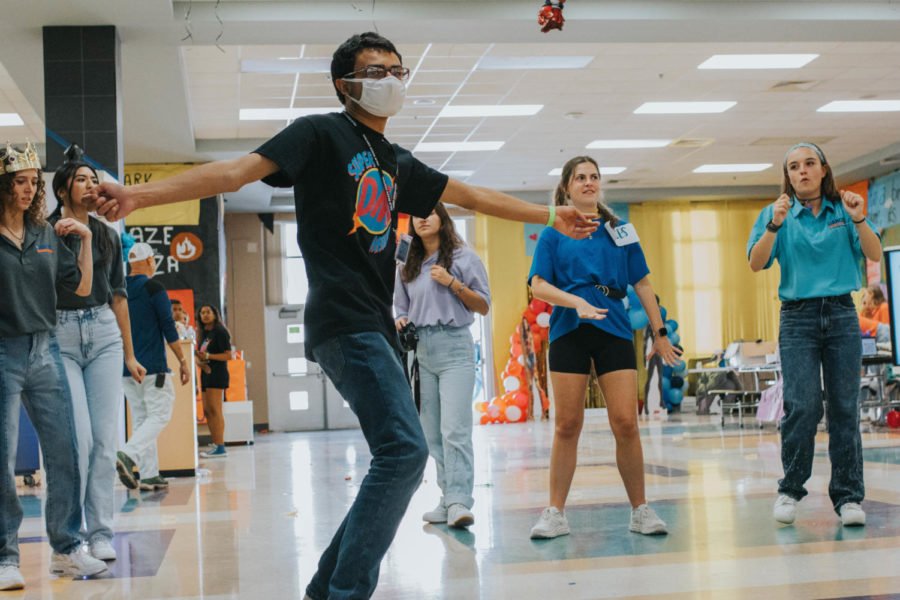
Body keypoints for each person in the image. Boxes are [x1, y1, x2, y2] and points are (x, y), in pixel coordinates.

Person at [87, 32, 595, 600]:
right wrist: (139, 197)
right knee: (405, 450)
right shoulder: (319, 134)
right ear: (344, 84)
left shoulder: (396, 162)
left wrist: (550, 216)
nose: (389, 81)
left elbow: (470, 195)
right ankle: (345, 592)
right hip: (341, 317)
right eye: (375, 72)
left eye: (397, 72)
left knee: (398, 452)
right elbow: (233, 174)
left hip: (373, 325)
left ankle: (326, 589)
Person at [527, 156, 681, 539]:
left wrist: (660, 333)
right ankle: (555, 513)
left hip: (613, 327)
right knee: (567, 425)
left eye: (594, 176)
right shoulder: (553, 232)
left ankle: (641, 510)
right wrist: (574, 301)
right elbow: (538, 285)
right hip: (569, 328)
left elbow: (642, 283)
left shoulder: (621, 231)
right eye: (580, 177)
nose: (589, 182)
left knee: (626, 423)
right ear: (566, 187)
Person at [748, 141, 881, 527]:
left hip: (841, 314)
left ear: (823, 170)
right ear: (786, 175)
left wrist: (858, 218)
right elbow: (757, 263)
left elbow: (873, 254)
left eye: (809, 164)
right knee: (803, 406)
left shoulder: (845, 208)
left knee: (844, 409)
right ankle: (790, 489)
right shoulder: (777, 214)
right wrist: (773, 223)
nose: (802, 171)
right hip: (798, 318)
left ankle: (848, 498)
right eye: (793, 166)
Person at [0, 142, 108, 590]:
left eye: (32, 183)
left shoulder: (45, 233)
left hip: (45, 350)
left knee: (67, 450)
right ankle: (6, 557)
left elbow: (81, 286)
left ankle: (66, 548)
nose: (28, 191)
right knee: (2, 459)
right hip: (3, 352)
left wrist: (83, 239)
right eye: (19, 183)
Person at [48, 147, 146, 562]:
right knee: (79, 441)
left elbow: (118, 298)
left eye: (94, 179)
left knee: (106, 441)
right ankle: (70, 538)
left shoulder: (107, 233)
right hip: (61, 336)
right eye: (82, 180)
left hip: (104, 334)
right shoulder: (46, 231)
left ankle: (102, 533)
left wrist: (130, 353)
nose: (91, 185)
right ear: (63, 189)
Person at [394, 202, 490, 529]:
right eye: (418, 213)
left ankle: (461, 501)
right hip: (420, 351)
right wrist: (401, 319)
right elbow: (399, 306)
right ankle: (447, 498)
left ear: (443, 219)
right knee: (431, 433)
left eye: (430, 212)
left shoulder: (464, 257)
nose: (422, 217)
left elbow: (483, 305)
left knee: (455, 429)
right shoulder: (406, 261)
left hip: (455, 347)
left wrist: (453, 283)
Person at [116, 243, 191, 491]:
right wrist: (182, 360)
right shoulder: (153, 288)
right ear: (149, 261)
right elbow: (168, 326)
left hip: (126, 367)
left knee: (141, 420)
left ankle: (148, 475)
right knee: (160, 414)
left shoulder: (120, 289)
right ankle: (127, 454)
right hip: (152, 368)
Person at [196, 304, 231, 458]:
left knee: (215, 411)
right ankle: (215, 443)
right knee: (207, 411)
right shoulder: (205, 334)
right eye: (202, 313)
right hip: (206, 374)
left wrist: (209, 357)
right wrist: (199, 361)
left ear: (215, 315)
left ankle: (220, 446)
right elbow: (202, 354)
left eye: (208, 312)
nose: (205, 315)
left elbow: (228, 355)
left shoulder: (220, 332)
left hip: (217, 374)